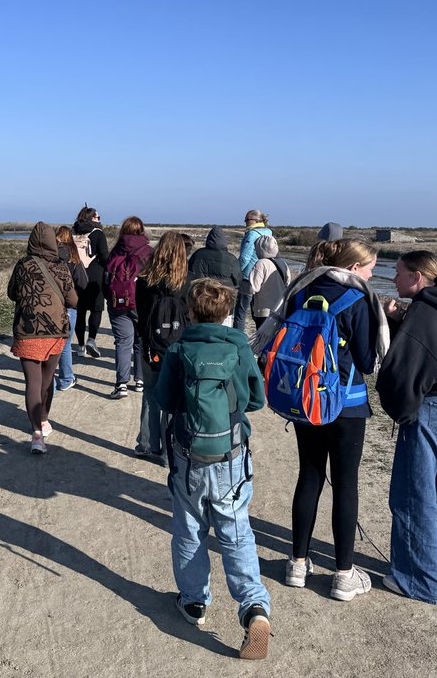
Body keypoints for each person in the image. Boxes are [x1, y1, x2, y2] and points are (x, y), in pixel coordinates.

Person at [253, 238, 389, 601]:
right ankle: (343, 574)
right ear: (354, 268)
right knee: (346, 485)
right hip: (347, 403)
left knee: (309, 475)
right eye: (371, 267)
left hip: (304, 398)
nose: (373, 273)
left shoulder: (300, 291)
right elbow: (365, 361)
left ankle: (298, 563)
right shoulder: (358, 299)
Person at [155, 278, 272, 660]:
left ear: (190, 311)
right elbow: (255, 400)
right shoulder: (239, 345)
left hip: (189, 458)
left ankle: (193, 603)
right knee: (236, 532)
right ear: (226, 312)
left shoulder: (179, 349)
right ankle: (253, 607)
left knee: (189, 530)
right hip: (231, 457)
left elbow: (166, 401)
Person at [376, 251, 437, 604]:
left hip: (433, 409)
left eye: (399, 273)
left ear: (418, 278)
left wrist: (399, 410)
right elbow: (430, 346)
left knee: (410, 496)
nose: (394, 279)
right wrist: (399, 317)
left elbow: (403, 370)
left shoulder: (421, 312)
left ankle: (418, 580)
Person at [6, 222, 79, 454]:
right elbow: (73, 300)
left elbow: (11, 294)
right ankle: (44, 419)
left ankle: (36, 435)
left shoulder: (22, 265)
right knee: (47, 381)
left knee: (32, 383)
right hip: (55, 332)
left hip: (27, 331)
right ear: (52, 241)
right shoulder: (60, 266)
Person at [134, 231, 191, 463]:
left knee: (150, 393)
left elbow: (141, 313)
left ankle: (147, 444)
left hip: (151, 346)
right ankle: (170, 450)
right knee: (174, 397)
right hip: (178, 348)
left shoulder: (146, 279)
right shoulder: (187, 281)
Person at [104, 215, 153, 399]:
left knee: (123, 343)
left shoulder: (116, 251)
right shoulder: (148, 251)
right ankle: (140, 380)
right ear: (142, 230)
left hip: (118, 303)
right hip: (140, 303)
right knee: (140, 341)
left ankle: (121, 384)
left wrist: (110, 300)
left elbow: (106, 279)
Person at [71, 206, 110, 358]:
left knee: (79, 311)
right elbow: (105, 256)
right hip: (95, 276)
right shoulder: (98, 233)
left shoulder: (72, 231)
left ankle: (80, 346)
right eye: (97, 217)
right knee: (96, 309)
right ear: (91, 218)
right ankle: (91, 339)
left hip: (77, 275)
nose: (99, 220)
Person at [54, 225, 89, 391]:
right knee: (66, 344)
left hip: (50, 305)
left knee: (51, 342)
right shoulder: (73, 257)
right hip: (69, 305)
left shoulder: (50, 256)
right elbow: (83, 282)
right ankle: (66, 378)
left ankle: (48, 380)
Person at [188, 226, 242, 325]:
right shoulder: (231, 259)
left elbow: (189, 276)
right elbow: (238, 281)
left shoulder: (198, 255)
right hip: (223, 305)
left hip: (200, 303)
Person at [235, 210, 273, 327]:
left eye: (247, 220)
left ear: (255, 220)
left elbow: (245, 258)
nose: (245, 222)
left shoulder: (252, 234)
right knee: (258, 312)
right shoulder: (268, 232)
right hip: (264, 275)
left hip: (248, 276)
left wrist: (236, 272)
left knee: (241, 311)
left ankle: (237, 339)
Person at [247, 235, 290, 332]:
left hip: (264, 311)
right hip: (280, 310)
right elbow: (287, 283)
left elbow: (253, 287)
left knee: (262, 341)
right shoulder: (283, 263)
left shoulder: (261, 263)